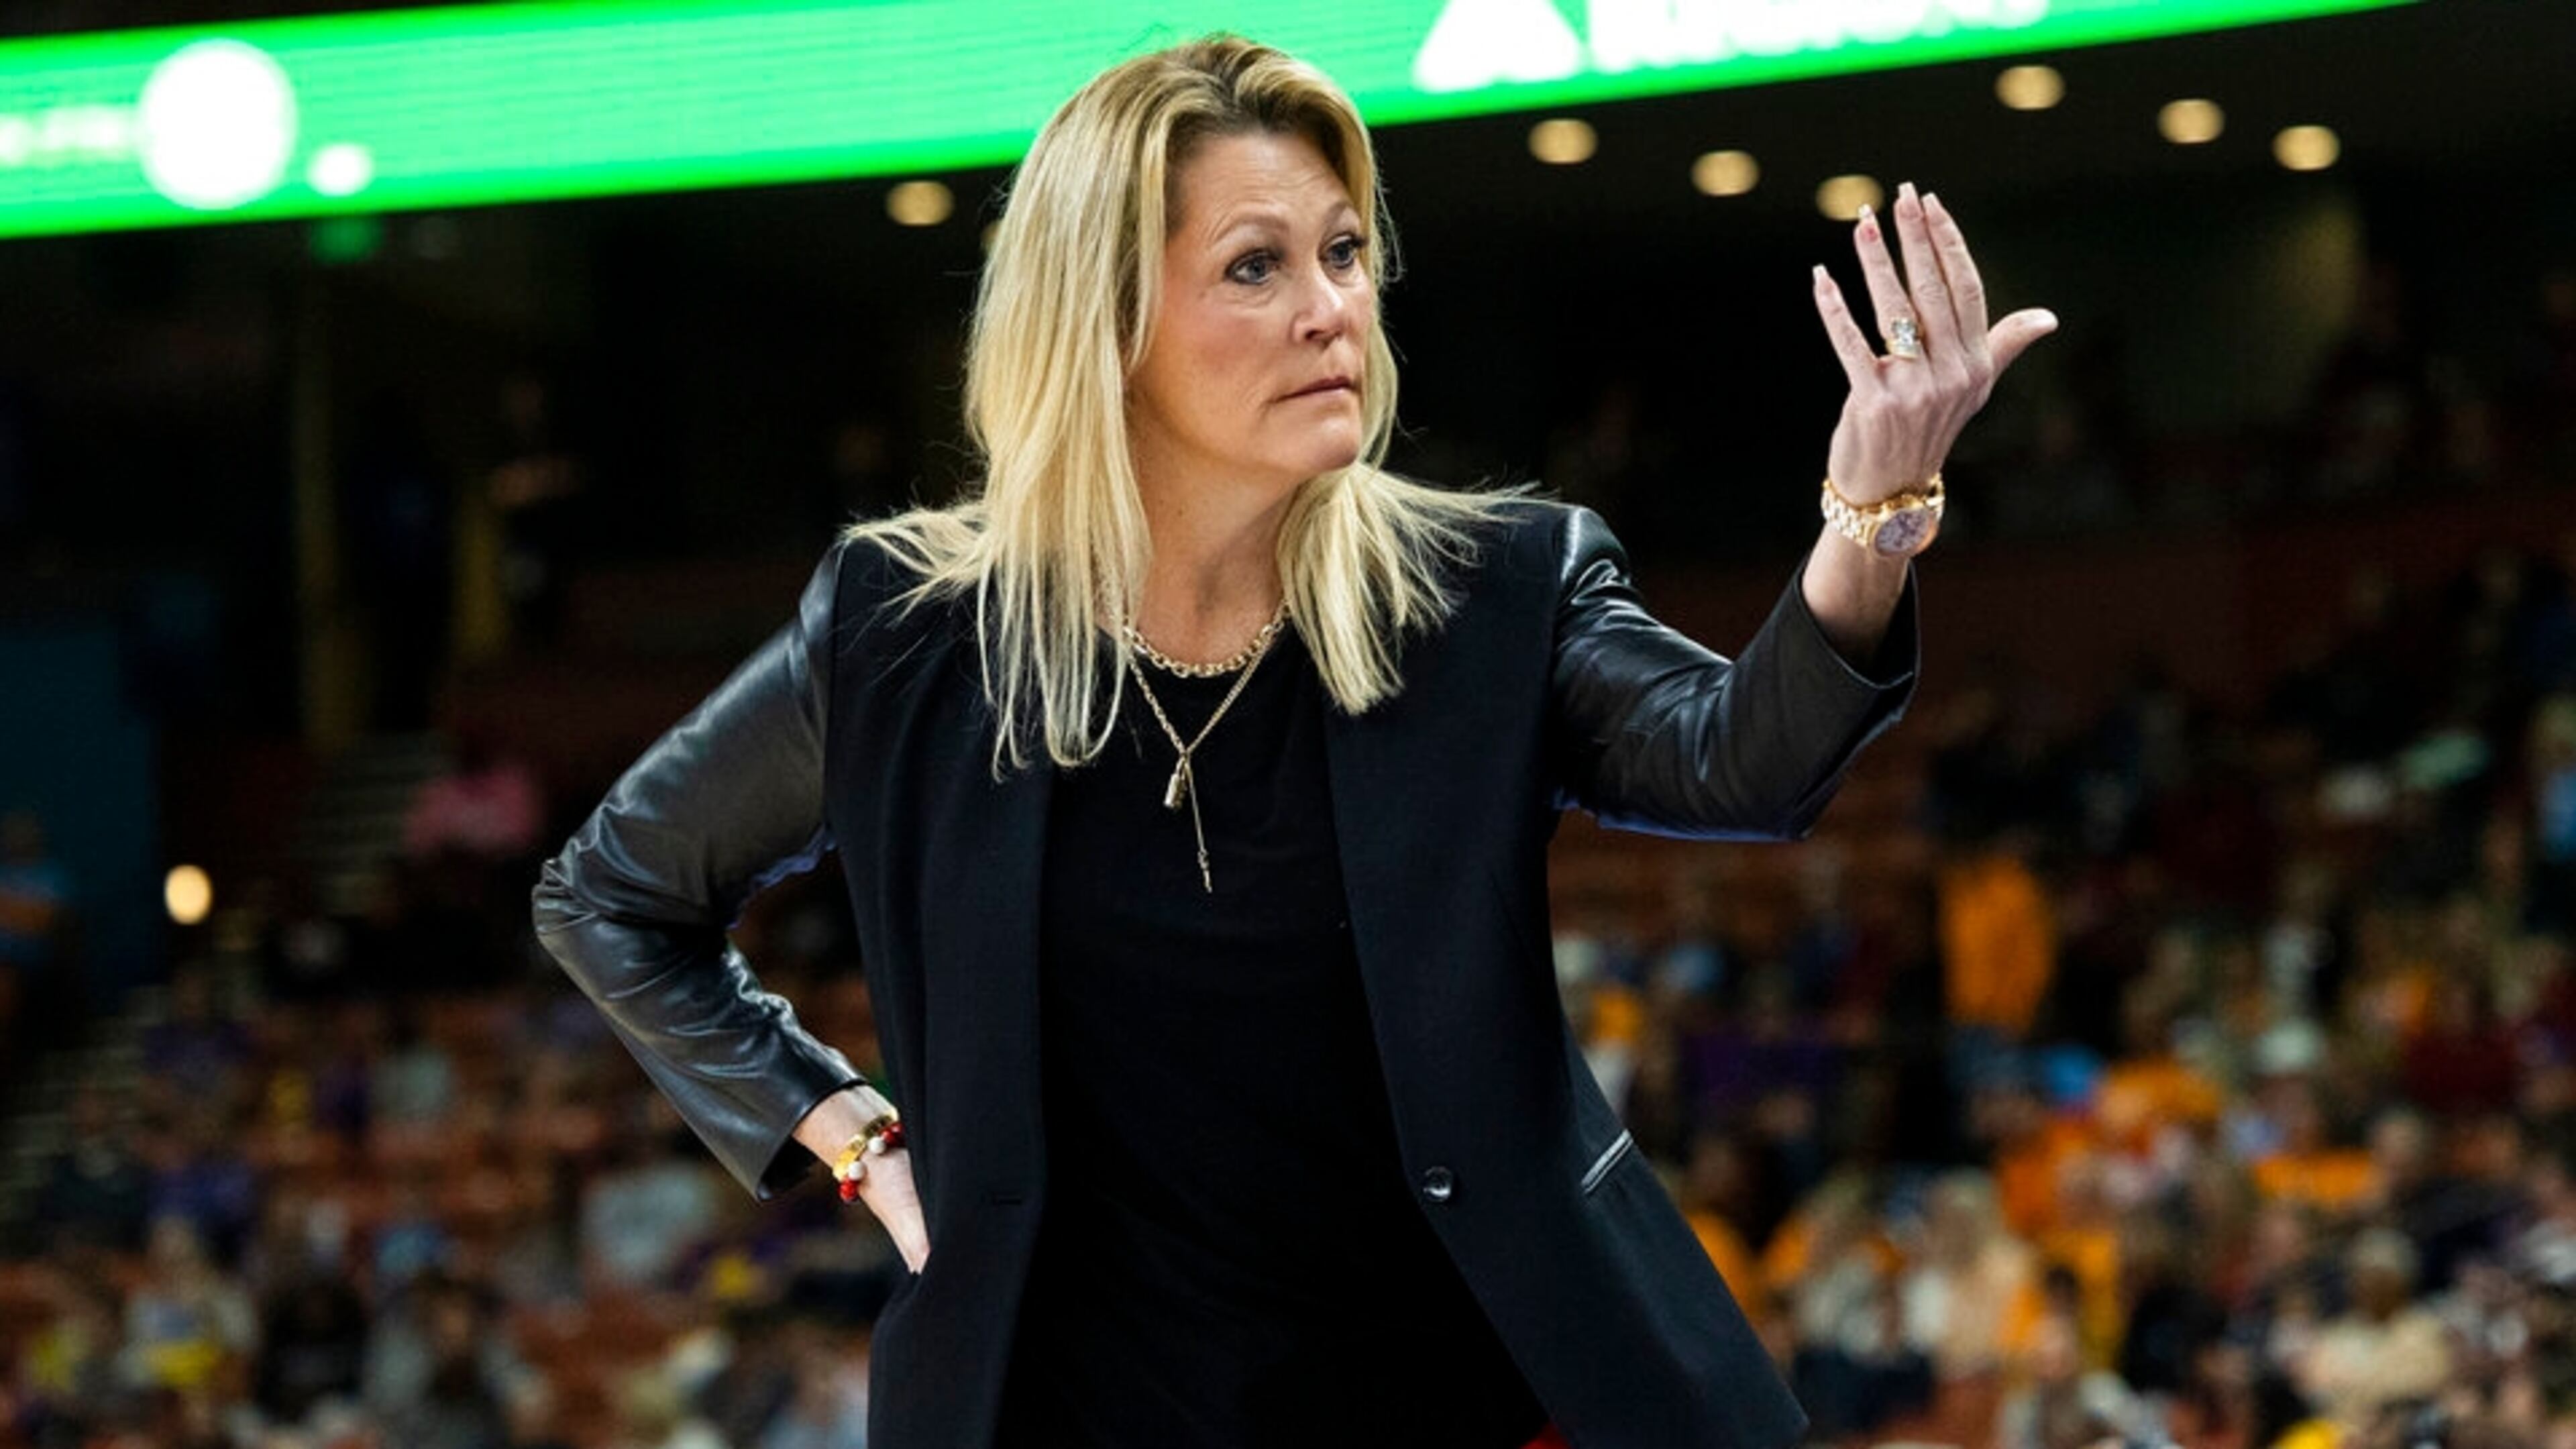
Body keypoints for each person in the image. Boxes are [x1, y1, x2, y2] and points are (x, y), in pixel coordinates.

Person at [533, 34, 2053, 1449]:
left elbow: (1745, 759)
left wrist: (1869, 520)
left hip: (1483, 1400)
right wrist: (851, 1137)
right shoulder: (903, 634)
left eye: (1341, 253)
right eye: (1255, 267)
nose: (1331, 305)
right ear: (1107, 321)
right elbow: (610, 896)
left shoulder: (1491, 589)